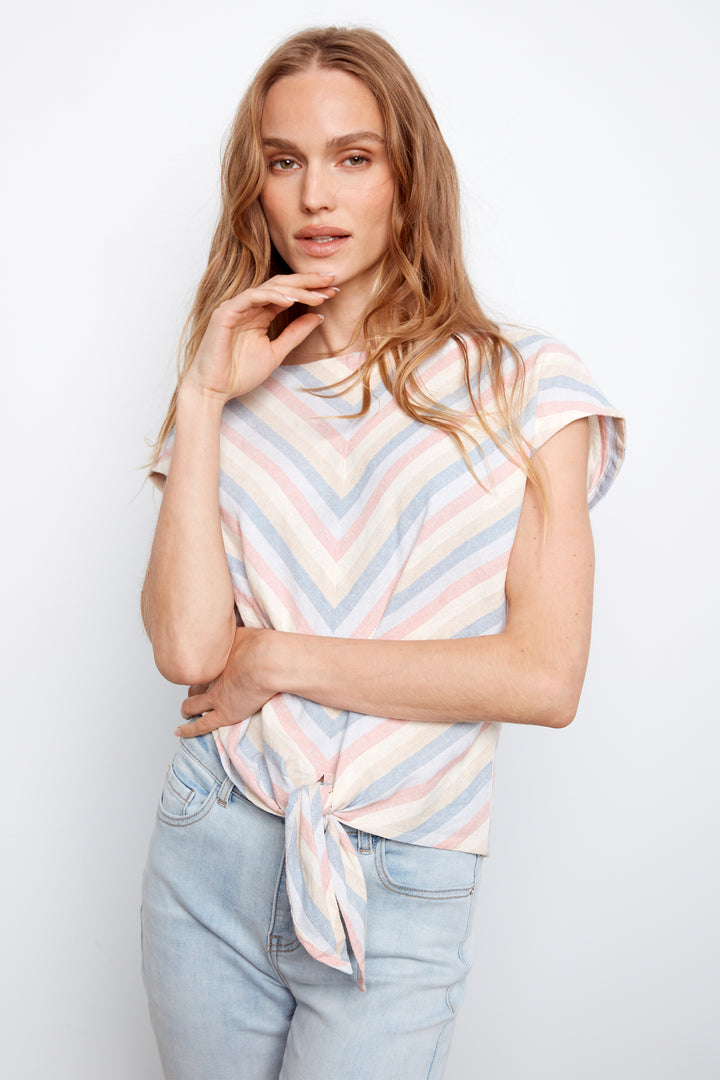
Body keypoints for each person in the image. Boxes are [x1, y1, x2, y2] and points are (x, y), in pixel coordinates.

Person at [140, 25, 625, 1080]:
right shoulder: (235, 385)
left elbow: (544, 679)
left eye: (352, 157)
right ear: (256, 187)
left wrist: (278, 658)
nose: (316, 196)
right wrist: (203, 396)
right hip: (215, 839)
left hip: (401, 873)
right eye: (284, 161)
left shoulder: (526, 387)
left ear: (408, 176)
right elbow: (188, 650)